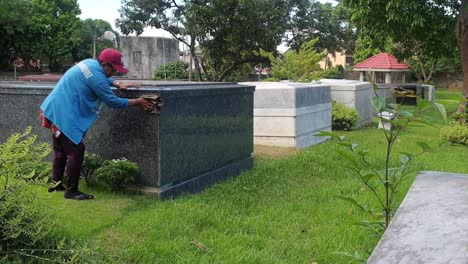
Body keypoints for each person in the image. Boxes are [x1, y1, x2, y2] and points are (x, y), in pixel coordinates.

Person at [40, 48, 153, 200]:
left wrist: (117, 83)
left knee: (60, 151)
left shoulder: (89, 63)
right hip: (63, 114)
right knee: (76, 150)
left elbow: (101, 78)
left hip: (53, 109)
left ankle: (55, 184)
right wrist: (138, 101)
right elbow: (113, 101)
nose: (114, 73)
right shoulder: (97, 77)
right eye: (113, 69)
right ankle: (71, 191)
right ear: (105, 64)